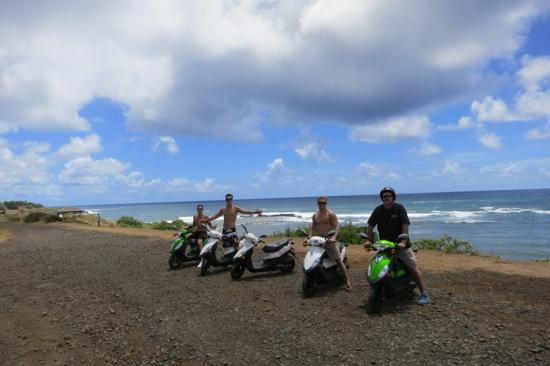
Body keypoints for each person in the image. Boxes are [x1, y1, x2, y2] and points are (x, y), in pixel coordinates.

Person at [363, 187, 429, 305]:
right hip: (384, 245)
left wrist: (403, 242)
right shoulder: (378, 210)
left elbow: (405, 224)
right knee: (379, 265)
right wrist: (368, 240)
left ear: (393, 197)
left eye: (388, 196)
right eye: (384, 197)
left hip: (399, 245)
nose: (386, 198)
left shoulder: (399, 208)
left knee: (412, 267)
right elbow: (370, 226)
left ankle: (424, 293)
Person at [307, 195, 352, 291]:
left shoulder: (330, 214)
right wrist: (310, 236)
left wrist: (334, 237)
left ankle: (348, 282)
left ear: (326, 203)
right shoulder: (315, 215)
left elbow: (337, 227)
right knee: (314, 257)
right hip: (318, 239)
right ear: (317, 203)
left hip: (329, 239)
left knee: (338, 260)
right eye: (320, 203)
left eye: (323, 203)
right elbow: (313, 227)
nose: (321, 204)